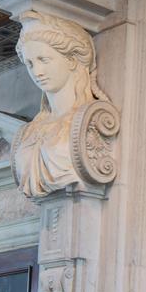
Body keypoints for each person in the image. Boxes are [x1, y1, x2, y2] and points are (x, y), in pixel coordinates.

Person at [11, 11, 110, 197]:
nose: (37, 72)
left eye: (43, 60)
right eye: (30, 64)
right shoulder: (28, 132)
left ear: (72, 60)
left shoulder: (83, 123)